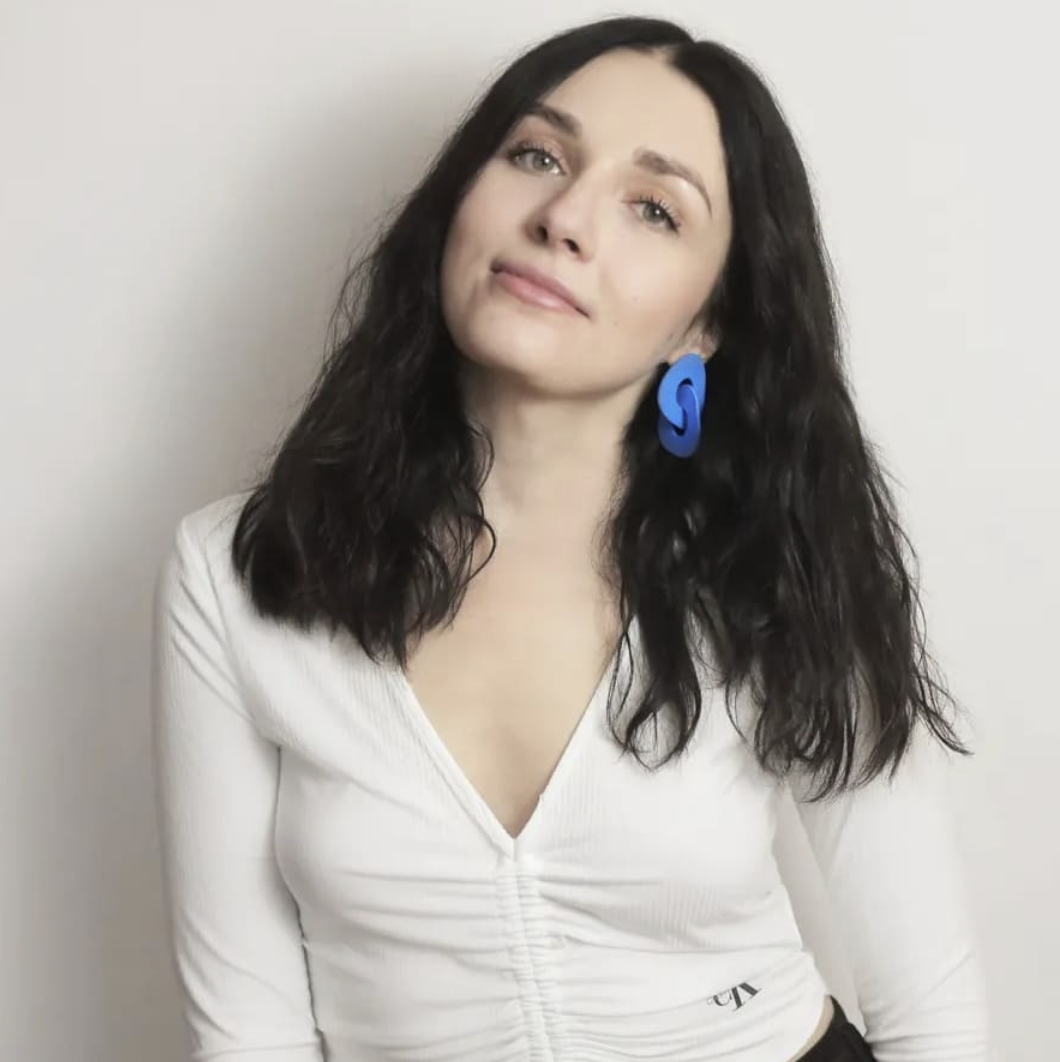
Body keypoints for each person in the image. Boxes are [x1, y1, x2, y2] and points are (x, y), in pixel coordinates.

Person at [149, 16, 991, 1062]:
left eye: (653, 208)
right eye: (536, 155)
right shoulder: (238, 572)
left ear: (703, 325)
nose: (564, 218)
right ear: (461, 198)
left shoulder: (775, 556)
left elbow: (930, 1009)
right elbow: (249, 1032)